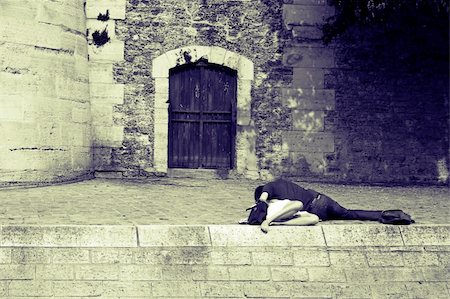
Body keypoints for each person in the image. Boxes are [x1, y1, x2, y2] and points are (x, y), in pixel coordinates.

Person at [255, 178, 384, 233]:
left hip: (313, 209)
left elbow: (262, 199)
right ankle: (382, 215)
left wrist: (259, 209)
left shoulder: (267, 187)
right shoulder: (282, 182)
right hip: (322, 199)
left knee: (343, 216)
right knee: (350, 214)